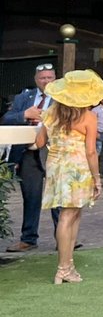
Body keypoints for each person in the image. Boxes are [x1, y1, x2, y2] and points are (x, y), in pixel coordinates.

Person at [34, 70, 103, 284]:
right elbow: (91, 152)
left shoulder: (51, 113)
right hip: (78, 168)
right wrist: (97, 178)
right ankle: (63, 268)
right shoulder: (88, 117)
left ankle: (68, 265)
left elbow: (39, 143)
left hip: (55, 167)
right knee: (69, 215)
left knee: (71, 215)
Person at [3, 63, 59, 252]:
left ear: (55, 79)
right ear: (36, 80)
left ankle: (64, 238)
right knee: (31, 197)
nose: (46, 81)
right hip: (28, 154)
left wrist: (46, 119)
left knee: (58, 197)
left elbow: (70, 121)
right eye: (42, 78)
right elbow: (7, 119)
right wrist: (24, 114)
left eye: (49, 78)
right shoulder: (23, 97)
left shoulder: (62, 98)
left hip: (53, 153)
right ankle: (28, 238)